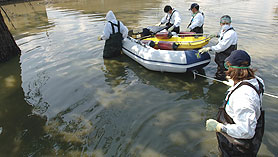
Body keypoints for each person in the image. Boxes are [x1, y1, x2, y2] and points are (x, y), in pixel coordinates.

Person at [205, 50, 265, 156]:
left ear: (232, 69)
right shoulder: (258, 81)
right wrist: (234, 84)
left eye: (228, 66)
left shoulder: (242, 96)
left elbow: (246, 131)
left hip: (238, 146)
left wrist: (220, 127)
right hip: (253, 134)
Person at [199, 15, 237, 81]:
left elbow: (221, 47)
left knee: (223, 73)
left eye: (227, 23)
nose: (225, 25)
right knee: (220, 69)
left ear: (230, 23)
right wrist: (217, 35)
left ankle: (220, 83)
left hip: (226, 57)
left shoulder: (231, 33)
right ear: (220, 23)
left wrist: (209, 48)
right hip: (222, 58)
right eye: (223, 23)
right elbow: (222, 36)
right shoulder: (224, 30)